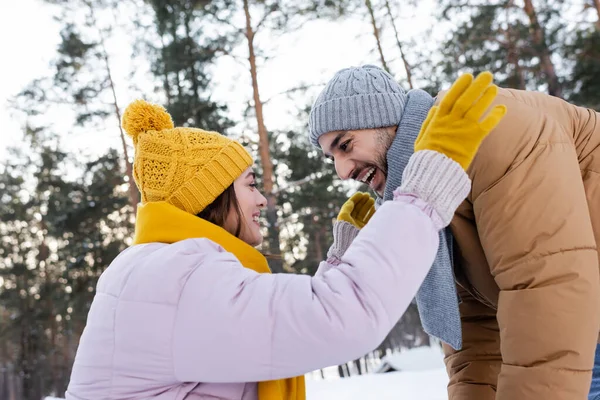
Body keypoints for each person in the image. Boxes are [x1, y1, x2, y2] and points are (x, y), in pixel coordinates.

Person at [65, 72, 503, 400]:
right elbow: (339, 316)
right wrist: (421, 197)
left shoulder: (163, 268)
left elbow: (280, 323)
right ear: (212, 196)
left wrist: (340, 260)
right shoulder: (175, 277)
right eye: (250, 184)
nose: (262, 201)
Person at [308, 64, 600, 400]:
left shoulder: (492, 129)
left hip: (575, 332)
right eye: (331, 158)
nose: (342, 171)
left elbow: (546, 290)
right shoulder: (430, 184)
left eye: (345, 145)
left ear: (385, 121)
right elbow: (474, 321)